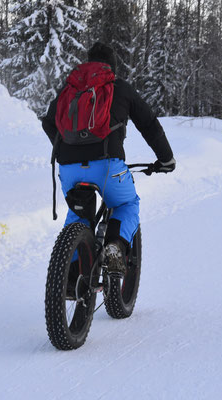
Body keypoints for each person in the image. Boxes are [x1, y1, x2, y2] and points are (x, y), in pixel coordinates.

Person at [42, 42, 175, 275]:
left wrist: (65, 149)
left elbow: (48, 121)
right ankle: (115, 246)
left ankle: (70, 277)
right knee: (126, 204)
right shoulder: (119, 87)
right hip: (107, 167)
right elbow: (149, 124)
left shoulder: (71, 87)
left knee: (78, 213)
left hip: (69, 169)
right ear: (112, 67)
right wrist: (166, 158)